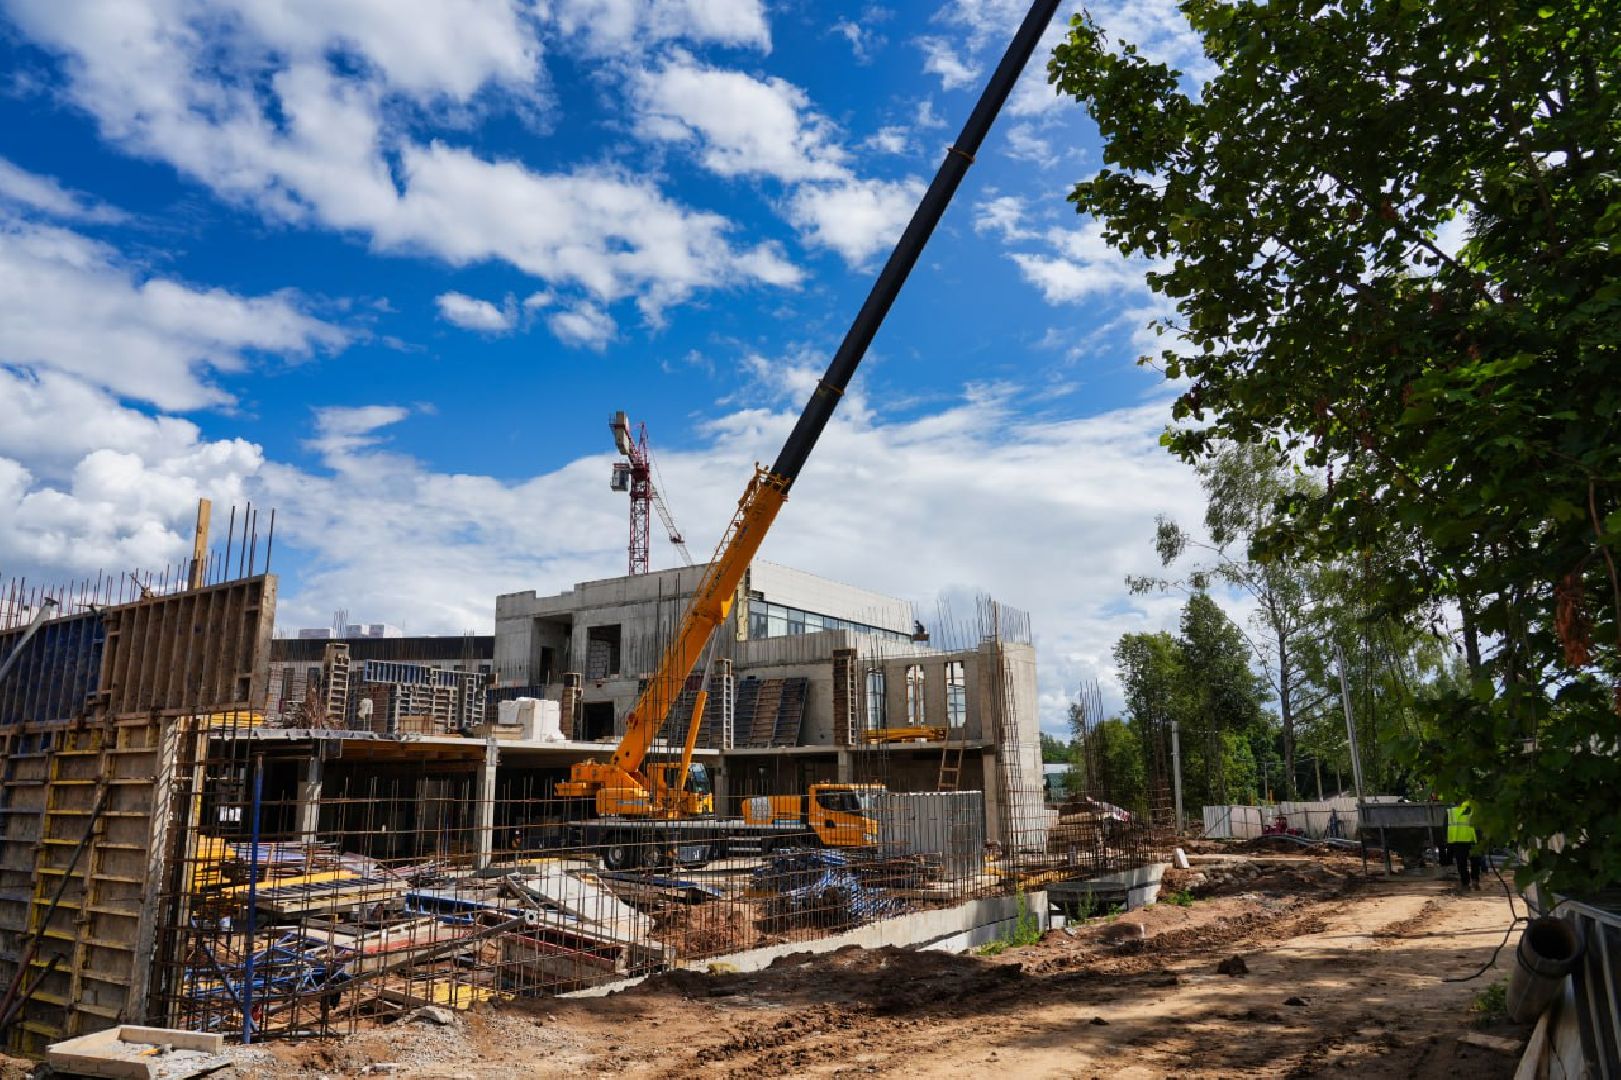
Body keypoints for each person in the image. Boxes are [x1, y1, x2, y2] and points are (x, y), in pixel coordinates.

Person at [1446, 801, 1484, 891]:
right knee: (1475, 862)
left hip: (1458, 841)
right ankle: (1475, 880)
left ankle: (1465, 883)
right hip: (1472, 840)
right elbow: (1479, 827)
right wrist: (1480, 840)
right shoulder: (1473, 810)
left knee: (1462, 864)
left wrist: (1448, 842)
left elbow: (1445, 827)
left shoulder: (1450, 812)